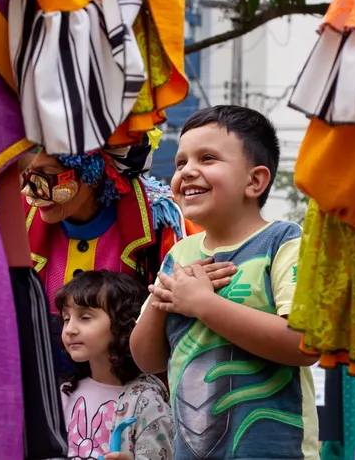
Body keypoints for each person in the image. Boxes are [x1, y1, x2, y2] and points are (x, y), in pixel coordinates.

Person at [130, 106, 321, 460]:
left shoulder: (284, 242)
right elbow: (147, 359)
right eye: (180, 162)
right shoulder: (179, 254)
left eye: (207, 158)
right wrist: (163, 301)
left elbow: (305, 343)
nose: (187, 171)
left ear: (255, 181)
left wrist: (202, 303)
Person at [22, 143, 236, 378]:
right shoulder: (17, 219)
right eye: (27, 175)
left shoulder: (163, 219)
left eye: (48, 177)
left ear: (93, 173)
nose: (29, 190)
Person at [55, 270, 174, 460]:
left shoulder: (148, 402)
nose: (69, 330)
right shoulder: (64, 393)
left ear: (123, 322)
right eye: (66, 318)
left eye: (85, 317)